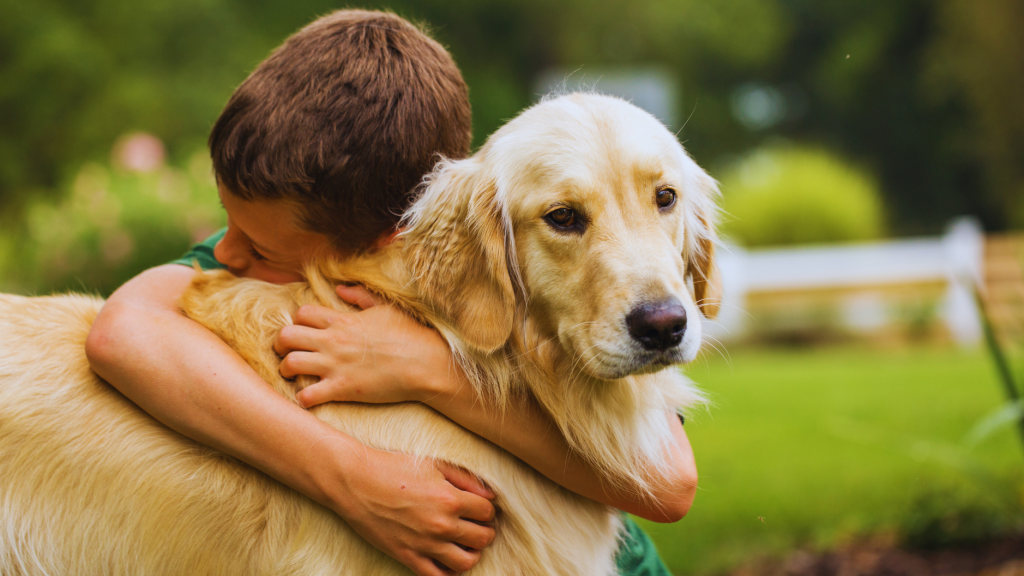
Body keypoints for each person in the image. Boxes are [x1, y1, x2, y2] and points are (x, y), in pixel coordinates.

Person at [85, 9, 693, 576]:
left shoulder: (462, 244)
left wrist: (430, 371)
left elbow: (669, 484)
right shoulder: (281, 234)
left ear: (384, 241)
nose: (225, 252)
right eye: (229, 222)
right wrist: (352, 476)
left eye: (260, 246)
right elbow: (122, 332)